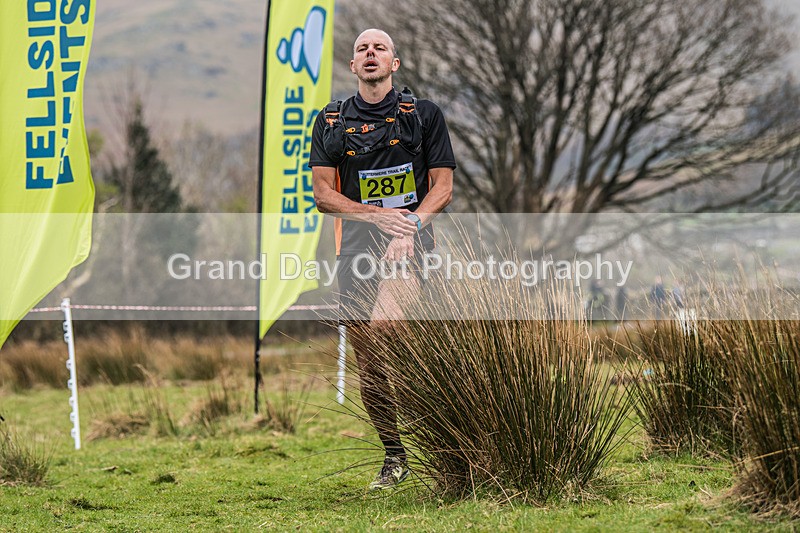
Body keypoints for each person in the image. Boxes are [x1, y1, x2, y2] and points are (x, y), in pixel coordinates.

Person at [309, 29, 456, 490]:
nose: (370, 53)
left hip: (410, 242)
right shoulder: (330, 121)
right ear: (353, 66)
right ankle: (395, 456)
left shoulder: (424, 115)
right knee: (369, 361)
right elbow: (323, 195)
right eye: (361, 49)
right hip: (355, 248)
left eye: (380, 48)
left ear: (394, 63)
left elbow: (443, 188)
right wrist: (376, 216)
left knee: (387, 326)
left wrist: (409, 225)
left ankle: (443, 425)